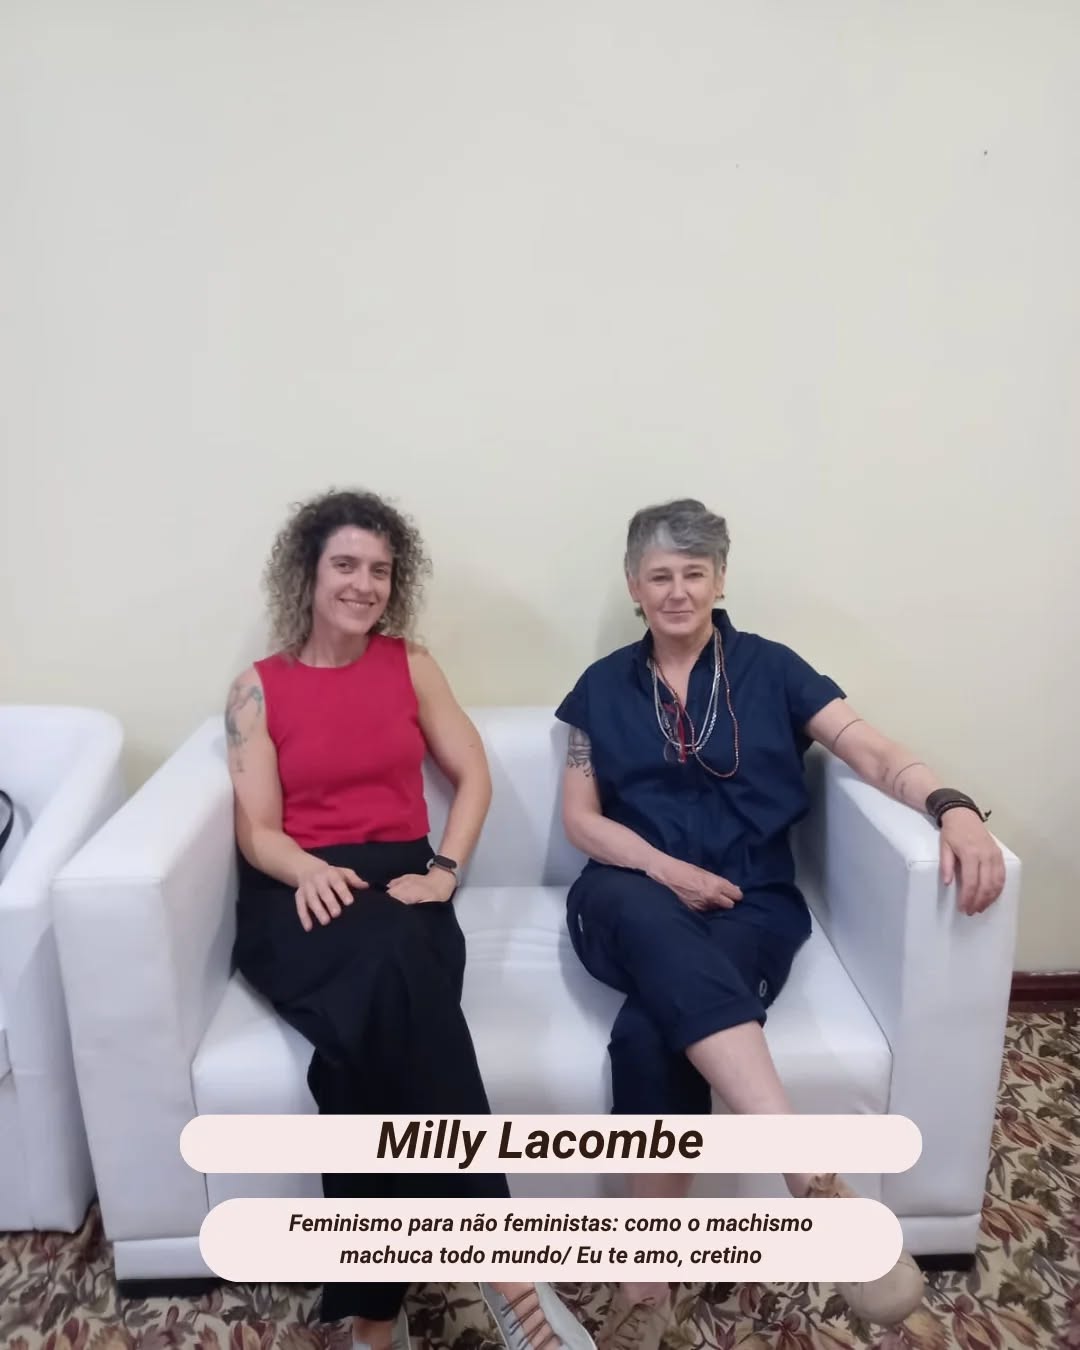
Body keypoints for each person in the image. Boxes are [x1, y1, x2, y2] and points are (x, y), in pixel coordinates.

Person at [555, 498, 1007, 1350]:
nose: (678, 591)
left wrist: (952, 805)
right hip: (625, 893)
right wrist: (665, 869)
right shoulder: (600, 688)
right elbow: (581, 819)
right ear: (634, 586)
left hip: (749, 902)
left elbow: (872, 752)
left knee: (651, 1034)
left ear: (720, 580)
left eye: (694, 573)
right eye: (660, 575)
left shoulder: (774, 669)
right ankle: (809, 1173)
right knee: (641, 913)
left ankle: (644, 1285)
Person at [225, 488, 593, 1350]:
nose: (364, 584)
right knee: (392, 980)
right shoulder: (256, 690)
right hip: (300, 892)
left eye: (381, 570)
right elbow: (257, 831)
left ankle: (372, 1320)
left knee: (356, 1057)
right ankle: (504, 1263)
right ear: (309, 573)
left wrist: (446, 871)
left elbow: (474, 775)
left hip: (406, 886)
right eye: (346, 565)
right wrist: (310, 868)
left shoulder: (411, 665)